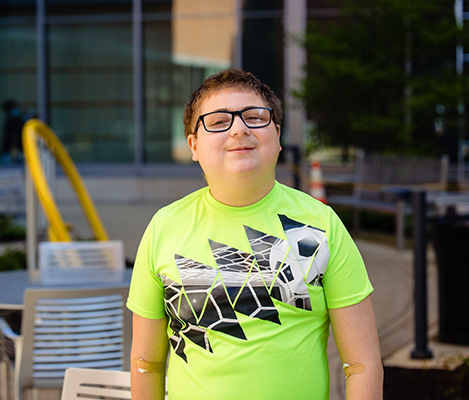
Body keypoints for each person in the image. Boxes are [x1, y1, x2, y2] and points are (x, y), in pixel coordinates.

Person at [126, 69, 383, 400]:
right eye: (218, 122)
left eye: (255, 117)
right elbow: (146, 362)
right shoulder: (164, 227)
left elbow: (361, 365)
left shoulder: (323, 225)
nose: (238, 129)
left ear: (276, 135)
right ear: (194, 145)